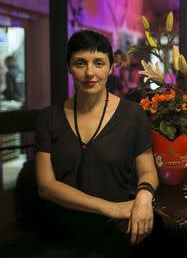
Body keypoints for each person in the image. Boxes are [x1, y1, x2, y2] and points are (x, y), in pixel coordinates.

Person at [34, 30, 158, 257]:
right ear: (69, 67)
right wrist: (109, 207)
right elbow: (45, 186)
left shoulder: (132, 115)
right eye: (80, 63)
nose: (90, 73)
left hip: (114, 233)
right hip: (61, 235)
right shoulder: (48, 117)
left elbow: (148, 171)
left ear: (111, 67)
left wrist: (143, 196)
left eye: (98, 63)